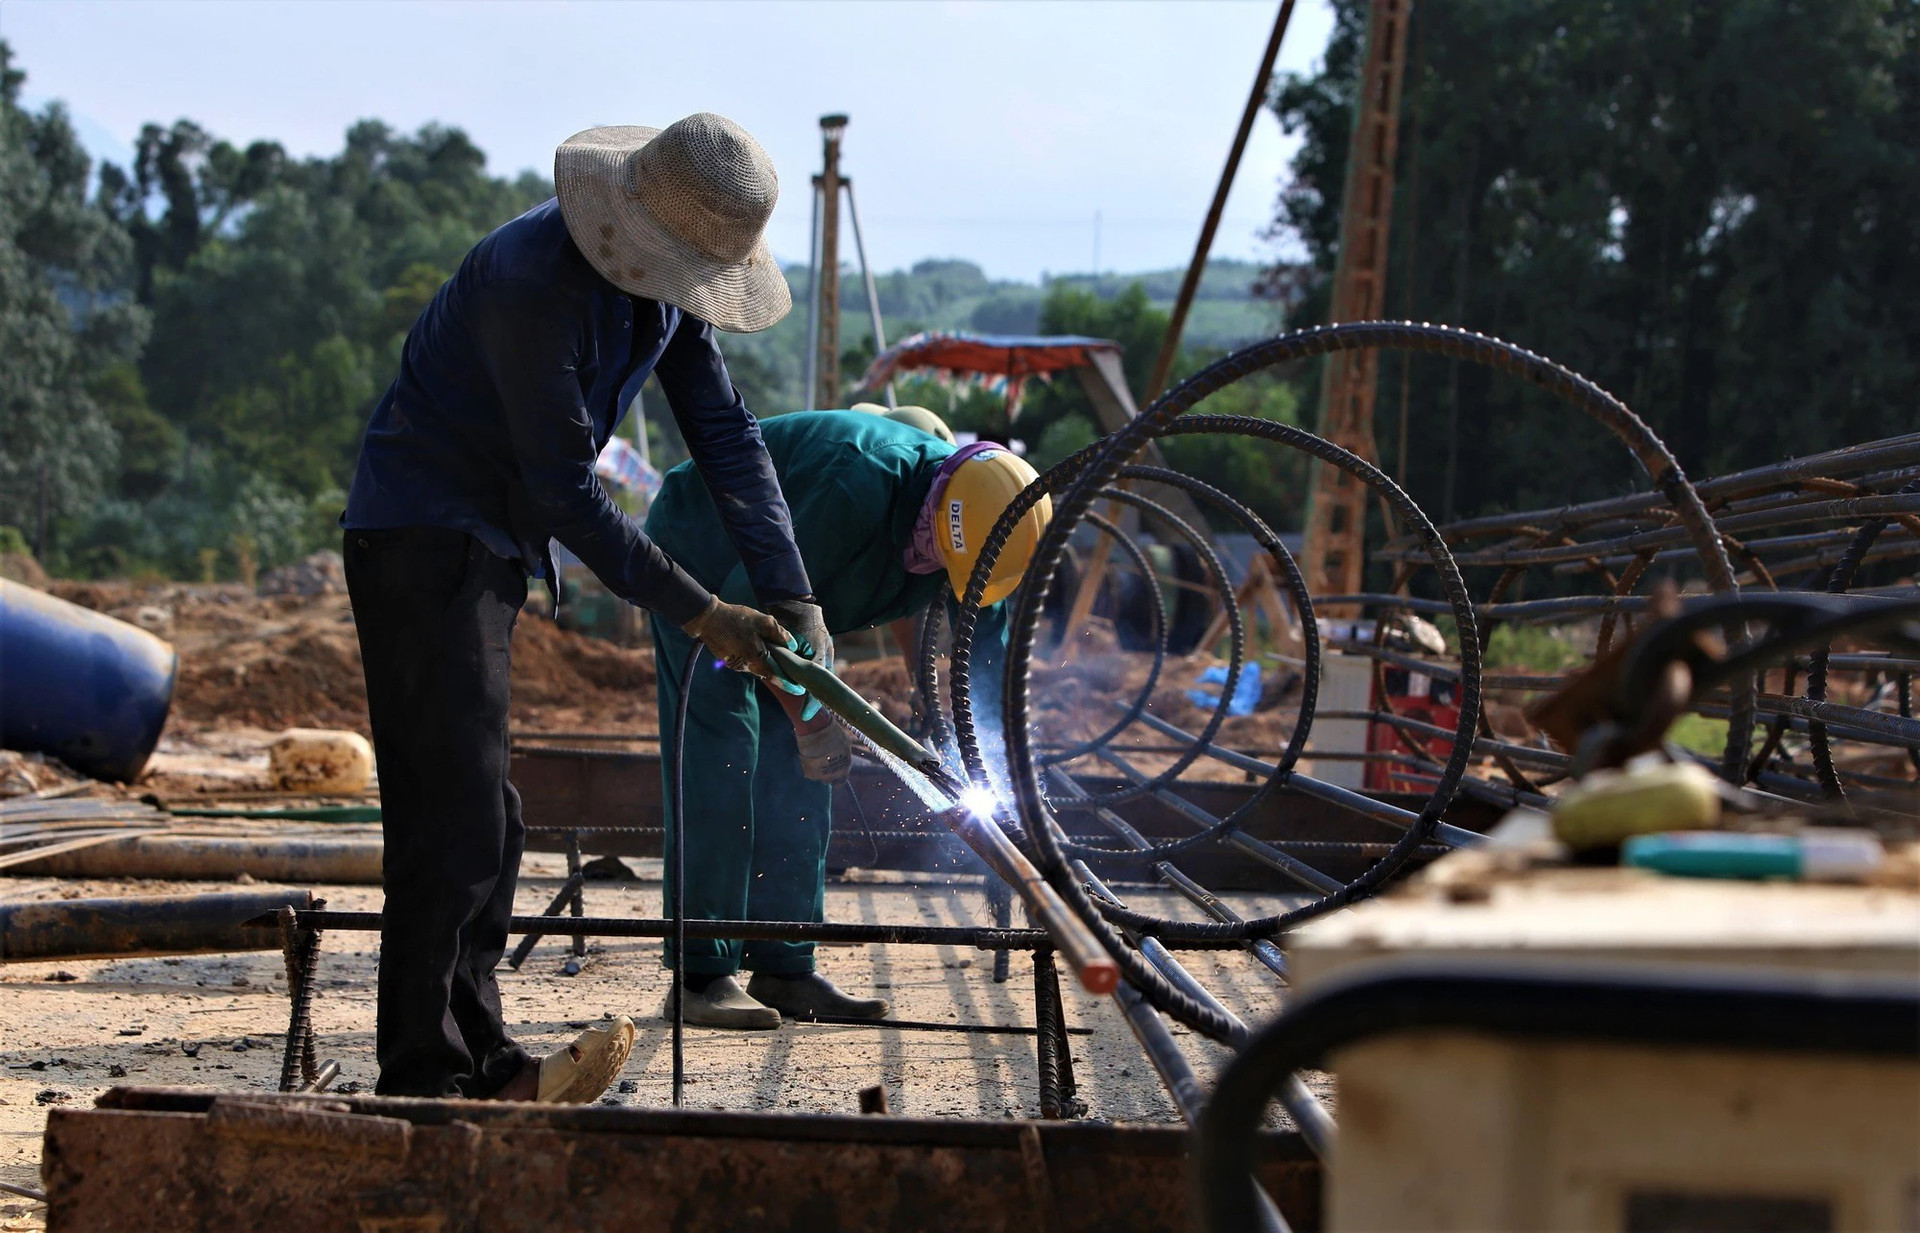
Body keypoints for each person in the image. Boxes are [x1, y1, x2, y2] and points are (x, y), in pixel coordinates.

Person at [340, 114, 832, 1101]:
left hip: (488, 546)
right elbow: (567, 494)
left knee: (489, 818)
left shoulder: (661, 299)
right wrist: (705, 614)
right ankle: (428, 1079)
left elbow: (727, 436)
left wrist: (792, 593)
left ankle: (475, 1054)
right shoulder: (534, 287)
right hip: (424, 541)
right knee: (453, 819)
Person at [646, 409, 1050, 1028]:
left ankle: (785, 968)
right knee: (727, 751)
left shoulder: (994, 527)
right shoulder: (853, 488)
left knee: (804, 778)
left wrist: (992, 767)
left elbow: (981, 670)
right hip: (705, 565)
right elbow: (764, 631)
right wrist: (812, 720)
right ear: (940, 523)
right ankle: (701, 974)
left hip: (796, 598)